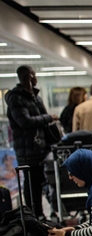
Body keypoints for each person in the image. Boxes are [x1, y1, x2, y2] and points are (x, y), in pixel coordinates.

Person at [4, 65, 60, 217]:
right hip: (27, 150)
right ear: (28, 76)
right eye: (33, 75)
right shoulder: (16, 98)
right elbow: (25, 122)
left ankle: (43, 214)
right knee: (31, 185)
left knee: (42, 182)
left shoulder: (35, 97)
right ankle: (34, 216)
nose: (35, 78)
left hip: (41, 148)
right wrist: (49, 117)